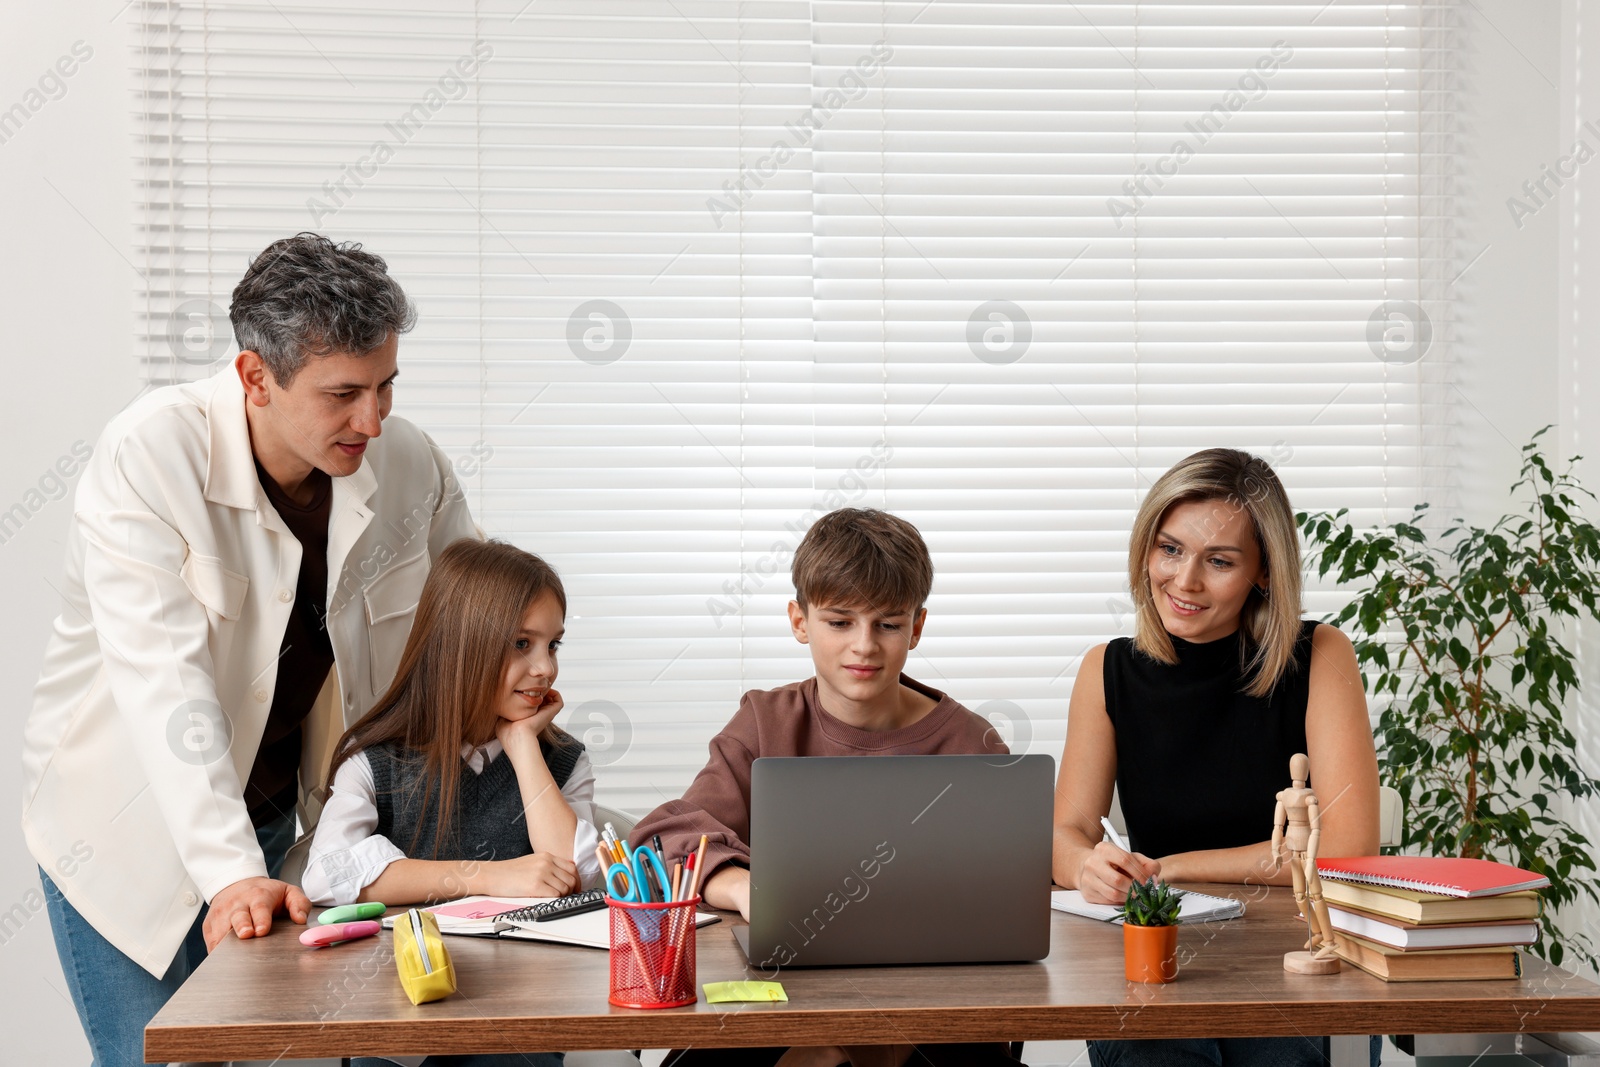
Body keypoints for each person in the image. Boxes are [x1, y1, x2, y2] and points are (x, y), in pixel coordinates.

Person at [22, 233, 479, 1066]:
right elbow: (167, 686)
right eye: (343, 394)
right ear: (254, 376)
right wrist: (230, 873)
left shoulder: (409, 465)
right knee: (158, 1059)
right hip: (129, 830)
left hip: (287, 823)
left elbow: (470, 636)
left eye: (385, 387)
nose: (372, 420)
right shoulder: (151, 454)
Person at [633, 507, 1021, 1067]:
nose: (863, 645)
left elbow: (1003, 886)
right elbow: (670, 832)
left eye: (887, 624)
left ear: (916, 627)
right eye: (840, 622)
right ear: (799, 621)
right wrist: (746, 890)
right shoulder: (765, 721)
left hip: (930, 997)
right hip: (783, 990)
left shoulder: (970, 741)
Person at [1051, 448, 1380, 1067]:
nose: (1185, 581)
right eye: (1169, 549)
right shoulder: (1108, 669)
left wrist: (1171, 868)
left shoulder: (1320, 656)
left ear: (1263, 571)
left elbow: (1343, 853)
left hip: (1287, 949)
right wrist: (1087, 867)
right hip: (1157, 948)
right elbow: (1064, 833)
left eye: (1219, 561)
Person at [306, 538, 600, 1067]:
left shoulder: (562, 760)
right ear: (461, 643)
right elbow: (328, 876)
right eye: (521, 644)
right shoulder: (376, 761)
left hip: (517, 1016)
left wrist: (523, 746)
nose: (545, 669)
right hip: (396, 1016)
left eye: (553, 645)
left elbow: (576, 872)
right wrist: (491, 877)